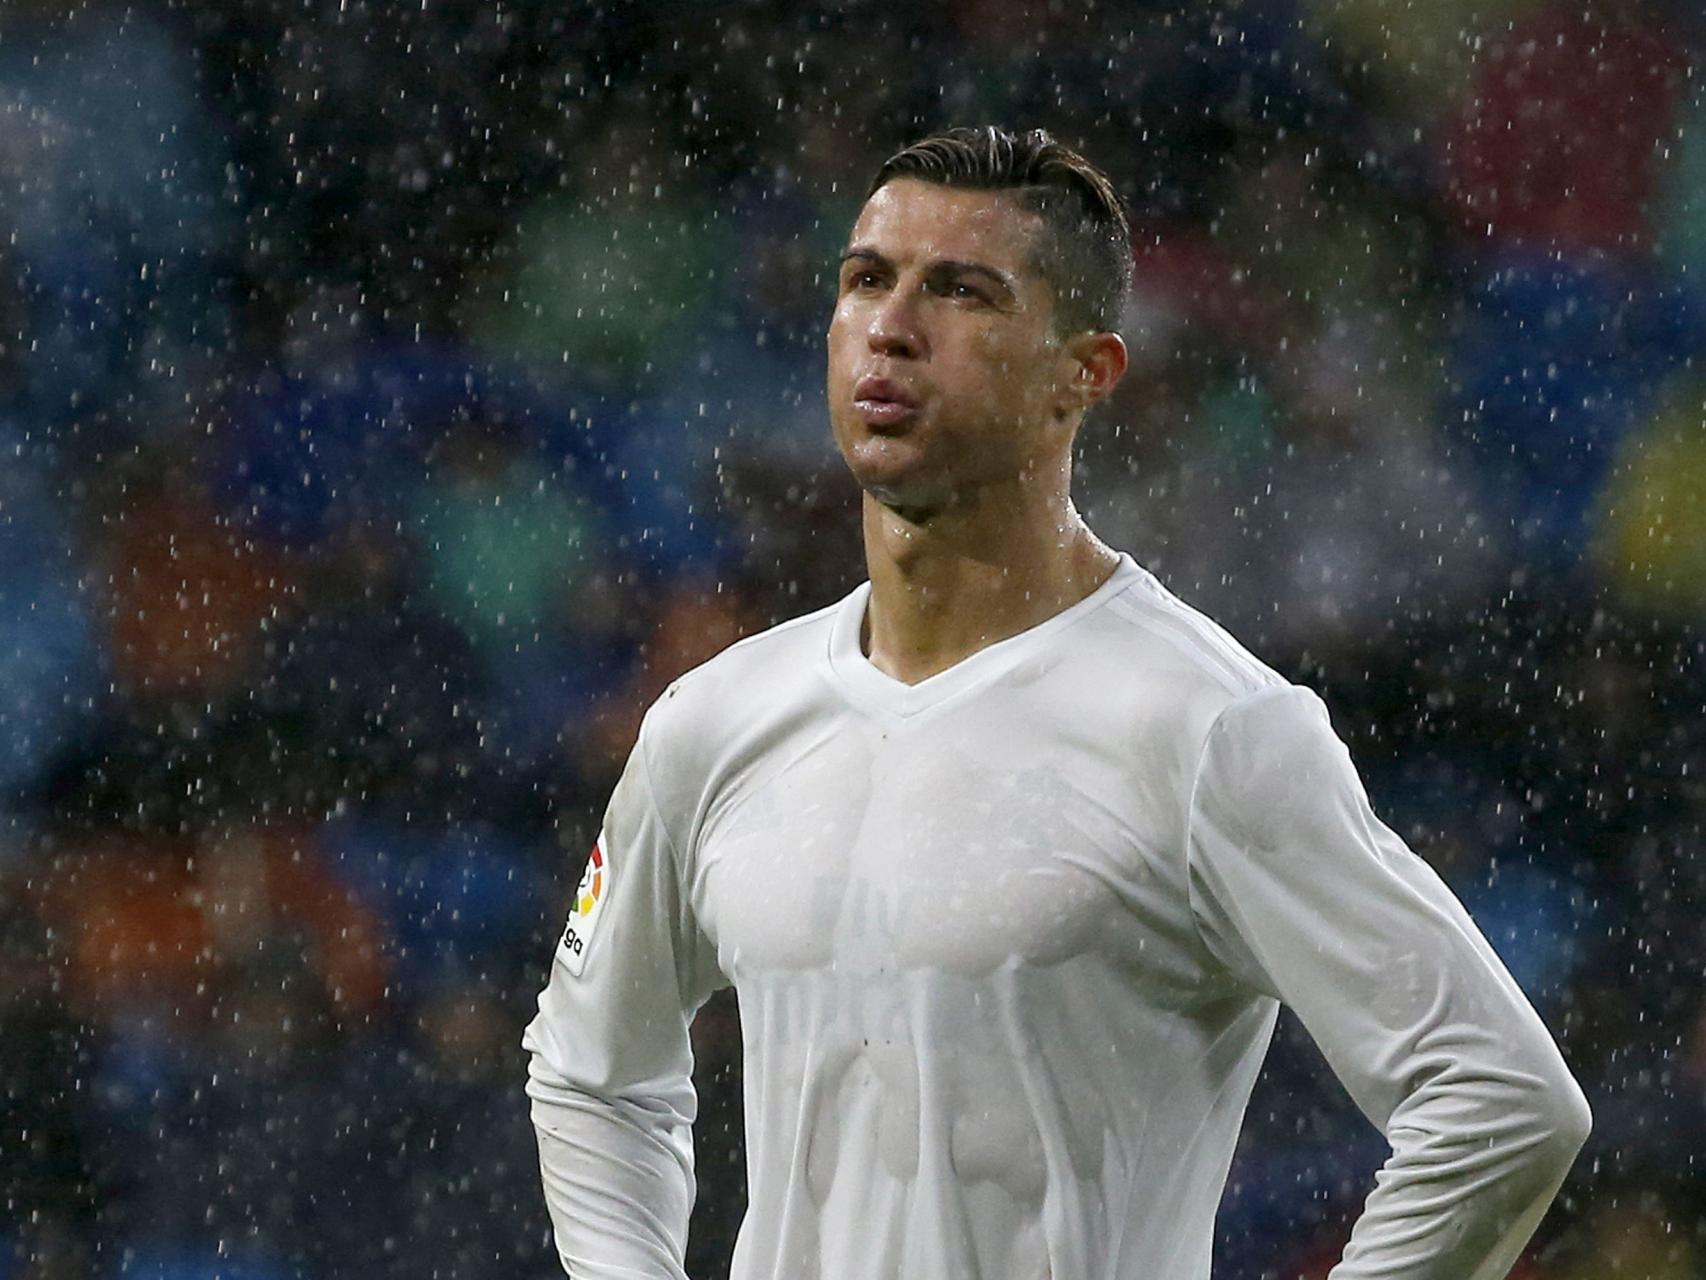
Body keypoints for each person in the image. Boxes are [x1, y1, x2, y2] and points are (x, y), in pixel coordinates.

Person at [523, 125, 1591, 1280]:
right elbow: (591, 1073)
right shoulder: (712, 720)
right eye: (866, 279)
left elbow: (1499, 1102)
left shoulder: (1208, 729)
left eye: (961, 291)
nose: (889, 326)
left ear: (1082, 373)